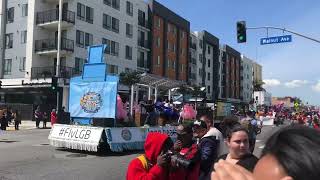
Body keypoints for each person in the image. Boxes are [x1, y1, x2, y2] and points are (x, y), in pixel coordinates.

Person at [212, 125, 320, 180]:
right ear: (227, 142)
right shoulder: (220, 159)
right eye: (237, 141)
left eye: (245, 141)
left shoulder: (253, 162)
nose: (242, 145)